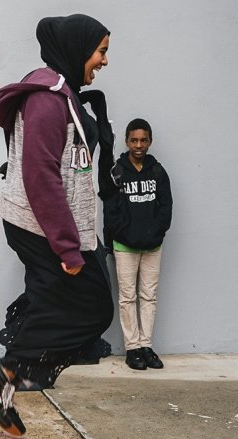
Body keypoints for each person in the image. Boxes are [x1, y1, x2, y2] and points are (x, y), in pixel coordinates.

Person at [0, 14, 115, 436]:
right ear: (77, 48)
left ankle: (9, 371)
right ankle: (7, 368)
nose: (105, 61)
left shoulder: (63, 92)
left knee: (63, 299)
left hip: (51, 223)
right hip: (42, 225)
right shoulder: (48, 98)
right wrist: (68, 247)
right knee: (92, 304)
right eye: (101, 51)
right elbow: (40, 173)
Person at [101, 119, 172, 370]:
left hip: (152, 247)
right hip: (125, 247)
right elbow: (110, 212)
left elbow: (166, 208)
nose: (138, 145)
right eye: (134, 140)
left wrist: (154, 233)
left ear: (150, 141)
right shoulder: (116, 172)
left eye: (143, 140)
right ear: (126, 141)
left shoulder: (158, 172)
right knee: (127, 298)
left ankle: (146, 345)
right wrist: (127, 235)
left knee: (148, 296)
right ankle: (132, 349)